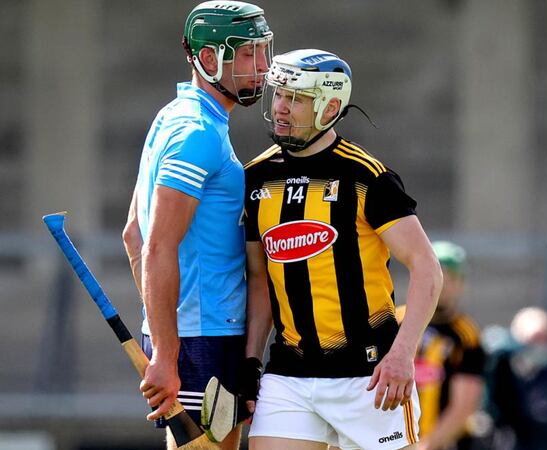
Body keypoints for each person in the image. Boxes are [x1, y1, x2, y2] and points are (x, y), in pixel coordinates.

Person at [242, 48, 442, 450]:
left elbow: (426, 267)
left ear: (330, 107)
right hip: (290, 376)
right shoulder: (255, 178)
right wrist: (251, 362)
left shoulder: (366, 177)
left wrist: (403, 354)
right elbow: (260, 278)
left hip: (369, 377)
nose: (280, 108)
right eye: (278, 95)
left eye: (295, 99)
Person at [121, 2, 272, 449]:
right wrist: (168, 353)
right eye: (248, 54)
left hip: (187, 333)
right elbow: (157, 247)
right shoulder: (198, 135)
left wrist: (160, 328)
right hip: (207, 336)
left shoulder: (173, 117)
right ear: (209, 60)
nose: (263, 68)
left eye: (264, 52)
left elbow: (134, 234)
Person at [396, 241, 485, 450]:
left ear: (462, 283)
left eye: (451, 277)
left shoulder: (466, 336)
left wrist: (425, 446)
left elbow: (463, 407)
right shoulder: (396, 321)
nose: (443, 284)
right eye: (438, 274)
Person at [484, 307, 547, 450]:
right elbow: (492, 412)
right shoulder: (510, 369)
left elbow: (543, 417)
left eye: (546, 338)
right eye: (534, 339)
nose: (540, 344)